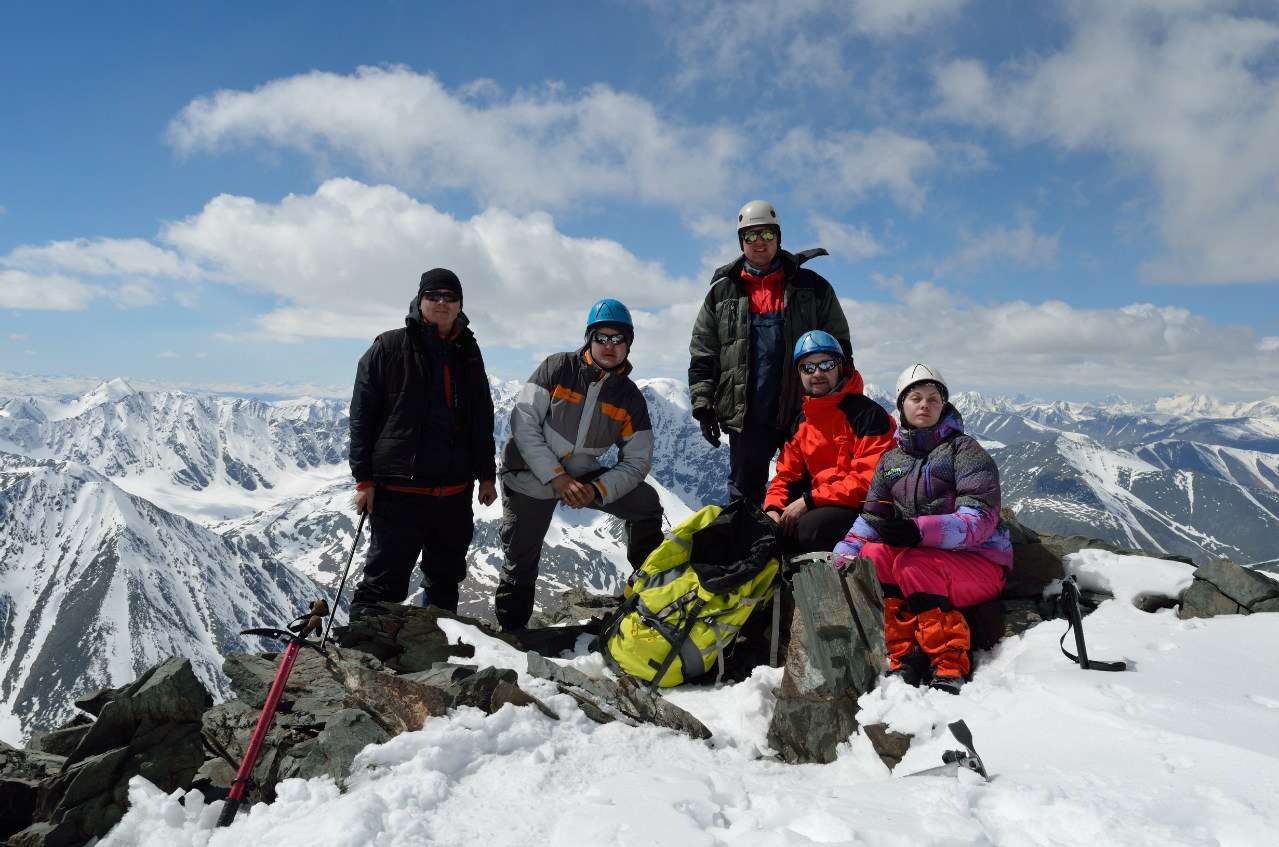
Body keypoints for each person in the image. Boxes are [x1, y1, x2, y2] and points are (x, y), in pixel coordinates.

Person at [833, 363, 1012, 694]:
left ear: (944, 406)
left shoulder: (966, 451)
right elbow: (872, 519)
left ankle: (949, 662)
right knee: (874, 554)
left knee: (914, 562)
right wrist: (844, 554)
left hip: (982, 563)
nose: (924, 405)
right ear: (901, 405)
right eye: (915, 398)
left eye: (933, 398)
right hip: (928, 563)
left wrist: (919, 531)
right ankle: (905, 656)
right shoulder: (890, 461)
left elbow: (980, 520)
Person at [495, 299, 664, 630]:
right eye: (602, 337)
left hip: (584, 475)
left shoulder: (629, 398)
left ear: (629, 343)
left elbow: (637, 460)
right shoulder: (558, 367)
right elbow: (524, 422)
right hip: (530, 471)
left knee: (645, 504)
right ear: (589, 338)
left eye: (619, 339)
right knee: (521, 557)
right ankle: (512, 635)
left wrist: (596, 489)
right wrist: (556, 477)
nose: (610, 346)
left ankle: (646, 595)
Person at [348, 268, 498, 615]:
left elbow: (481, 417)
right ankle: (363, 654)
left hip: (454, 493)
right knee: (384, 583)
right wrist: (365, 479)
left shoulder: (468, 351)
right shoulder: (388, 346)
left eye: (450, 297)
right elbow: (362, 416)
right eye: (434, 296)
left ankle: (435, 655)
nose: (442, 303)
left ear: (460, 304)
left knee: (444, 579)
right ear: (420, 301)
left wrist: (486, 475)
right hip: (399, 493)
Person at [689, 199, 851, 505]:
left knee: (806, 489)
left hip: (805, 411)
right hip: (747, 414)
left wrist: (844, 400)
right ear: (741, 242)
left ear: (778, 237)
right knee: (745, 493)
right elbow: (703, 354)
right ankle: (750, 550)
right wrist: (703, 406)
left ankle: (801, 550)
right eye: (750, 236)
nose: (759, 242)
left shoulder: (813, 288)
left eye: (766, 234)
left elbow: (840, 347)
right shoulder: (722, 294)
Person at [763, 331, 897, 553]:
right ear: (800, 373)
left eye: (826, 365)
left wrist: (810, 501)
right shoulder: (802, 422)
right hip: (822, 503)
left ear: (840, 367)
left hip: (867, 508)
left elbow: (870, 481)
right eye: (808, 367)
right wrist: (773, 508)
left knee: (809, 531)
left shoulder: (867, 414)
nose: (817, 373)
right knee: (769, 529)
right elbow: (786, 476)